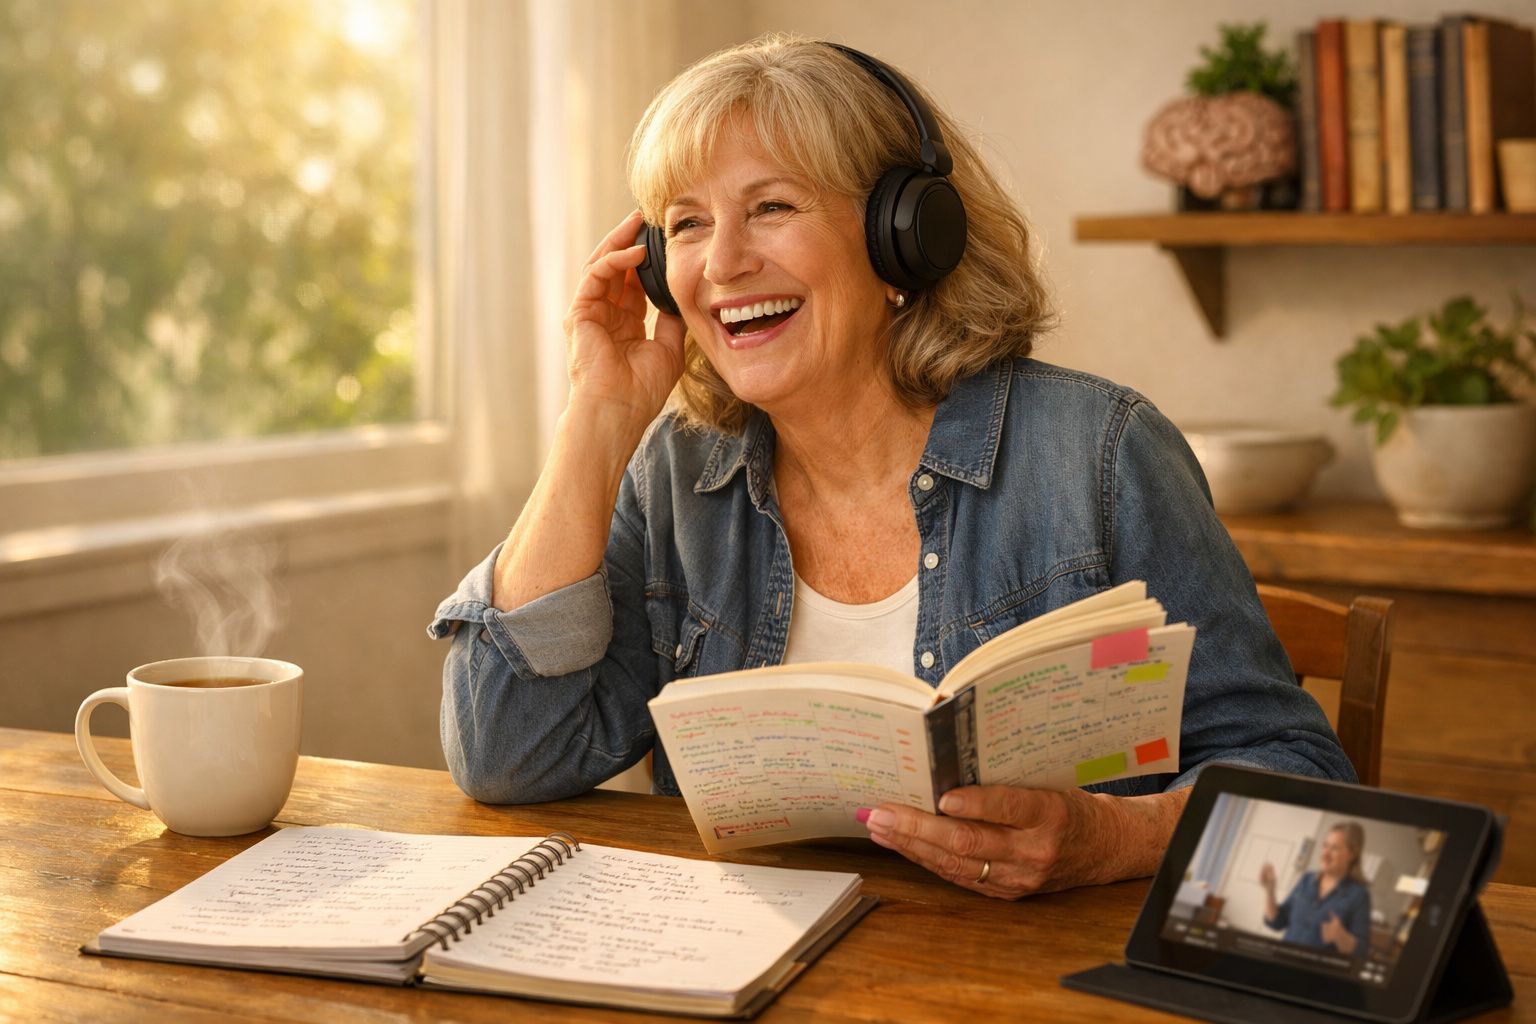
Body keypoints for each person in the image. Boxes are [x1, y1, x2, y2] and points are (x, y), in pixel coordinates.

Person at [428, 34, 1354, 899]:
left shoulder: (1097, 453)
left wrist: (1110, 839)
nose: (724, 264)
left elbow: (1301, 776)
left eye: (772, 207)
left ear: (904, 238)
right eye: (689, 225)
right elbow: (509, 754)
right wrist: (597, 414)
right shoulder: (677, 474)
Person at [1260, 822, 1373, 957]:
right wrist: (1270, 891)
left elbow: (1361, 952)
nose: (1325, 854)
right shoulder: (1306, 880)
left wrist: (1340, 936)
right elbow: (1277, 922)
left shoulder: (1359, 895)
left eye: (1335, 848)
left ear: (1352, 854)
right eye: (1325, 846)